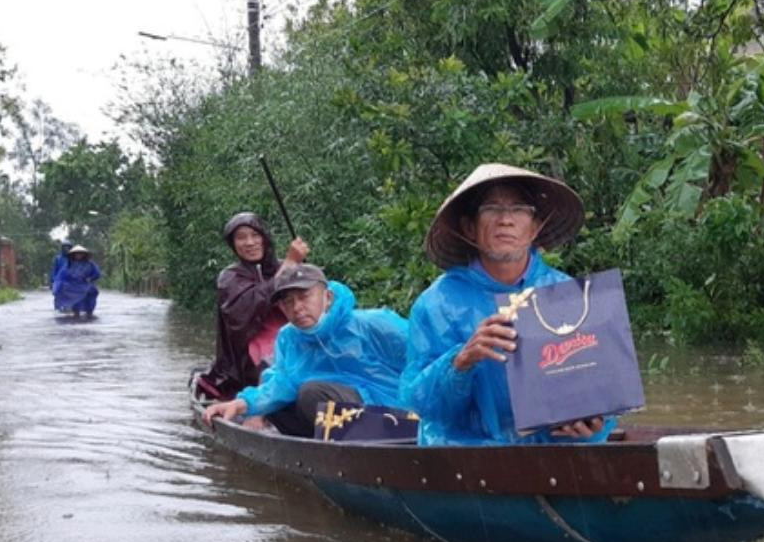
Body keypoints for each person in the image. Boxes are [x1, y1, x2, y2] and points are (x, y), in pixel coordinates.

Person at [401, 163, 615, 446]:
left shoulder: (567, 294)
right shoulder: (436, 304)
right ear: (470, 228)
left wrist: (595, 424)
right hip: (469, 457)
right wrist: (460, 362)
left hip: (555, 456)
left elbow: (601, 391)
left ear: (535, 228)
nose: (506, 219)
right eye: (491, 209)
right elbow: (421, 404)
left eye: (519, 209)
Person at [202, 263, 409, 437]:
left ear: (327, 297)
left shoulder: (373, 324)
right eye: (288, 302)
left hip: (395, 416)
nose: (297, 308)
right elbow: (281, 383)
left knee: (311, 393)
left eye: (304, 296)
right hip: (341, 419)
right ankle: (323, 450)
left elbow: (422, 362)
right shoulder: (289, 337)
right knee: (277, 405)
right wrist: (240, 405)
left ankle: (377, 444)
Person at [197, 212, 309, 400]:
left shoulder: (287, 266)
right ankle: (259, 409)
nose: (250, 243)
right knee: (271, 363)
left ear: (265, 238)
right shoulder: (230, 277)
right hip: (250, 351)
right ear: (233, 244)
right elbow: (247, 308)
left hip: (294, 338)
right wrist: (289, 264)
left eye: (255, 235)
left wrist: (294, 267)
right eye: (241, 238)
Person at [52, 244, 102, 318]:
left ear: (84, 254)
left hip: (86, 285)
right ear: (73, 255)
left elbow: (97, 273)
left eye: (81, 253)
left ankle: (89, 314)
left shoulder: (90, 264)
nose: (79, 255)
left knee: (92, 296)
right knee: (76, 304)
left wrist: (90, 278)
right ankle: (76, 316)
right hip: (73, 287)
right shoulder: (69, 264)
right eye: (77, 254)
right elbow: (61, 276)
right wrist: (57, 287)